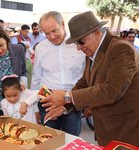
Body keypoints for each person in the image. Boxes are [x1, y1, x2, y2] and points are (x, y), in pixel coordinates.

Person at [41, 11, 139, 146]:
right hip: (106, 129)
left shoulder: (121, 49)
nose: (79, 47)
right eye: (76, 43)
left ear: (97, 32)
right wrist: (65, 106)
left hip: (125, 131)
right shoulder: (92, 50)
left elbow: (112, 90)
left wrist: (67, 96)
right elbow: (85, 82)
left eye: (81, 42)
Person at [30, 11, 86, 136]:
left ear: (63, 24)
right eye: (47, 33)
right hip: (47, 99)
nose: (51, 36)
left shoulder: (78, 45)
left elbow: (86, 75)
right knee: (48, 139)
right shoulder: (40, 48)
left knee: (71, 139)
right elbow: (36, 78)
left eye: (54, 31)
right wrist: (34, 108)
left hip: (71, 100)